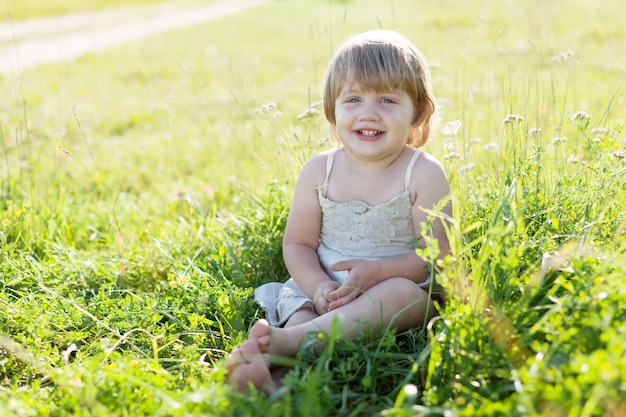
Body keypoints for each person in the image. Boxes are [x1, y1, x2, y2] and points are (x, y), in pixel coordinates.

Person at [226, 29, 452, 394]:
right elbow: (298, 244)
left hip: (394, 289)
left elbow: (438, 257)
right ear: (333, 108)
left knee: (400, 296)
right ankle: (275, 379)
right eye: (353, 99)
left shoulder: (423, 172)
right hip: (325, 289)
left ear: (418, 111)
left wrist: (379, 271)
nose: (369, 113)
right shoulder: (320, 170)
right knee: (301, 309)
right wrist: (318, 288)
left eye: (387, 101)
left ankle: (286, 346)